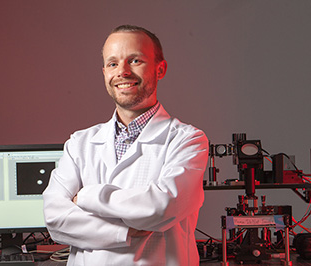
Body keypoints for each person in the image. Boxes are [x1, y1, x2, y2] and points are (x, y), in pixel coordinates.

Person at [42, 24, 209, 266]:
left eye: (135, 61)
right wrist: (125, 233)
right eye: (112, 64)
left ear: (160, 69)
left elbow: (159, 208)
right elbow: (55, 218)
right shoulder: (80, 142)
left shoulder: (188, 140)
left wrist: (87, 196)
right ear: (104, 73)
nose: (122, 72)